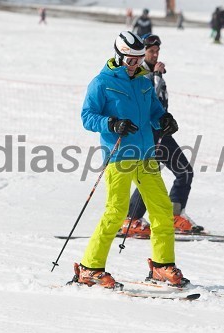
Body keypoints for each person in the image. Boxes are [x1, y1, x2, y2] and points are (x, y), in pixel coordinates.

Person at [72, 31, 188, 289]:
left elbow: (156, 112)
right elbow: (87, 116)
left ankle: (161, 266)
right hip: (119, 155)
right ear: (118, 56)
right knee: (115, 213)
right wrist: (111, 123)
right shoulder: (102, 83)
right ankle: (90, 268)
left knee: (161, 210)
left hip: (146, 155)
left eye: (138, 59)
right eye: (130, 60)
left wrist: (164, 120)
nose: (135, 64)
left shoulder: (144, 83)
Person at [120, 33, 203, 239]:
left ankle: (174, 215)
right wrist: (156, 76)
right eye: (151, 51)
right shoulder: (139, 75)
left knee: (184, 172)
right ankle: (132, 219)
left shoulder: (154, 72)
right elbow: (149, 99)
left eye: (157, 51)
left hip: (162, 133)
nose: (155, 55)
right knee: (151, 175)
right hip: (148, 134)